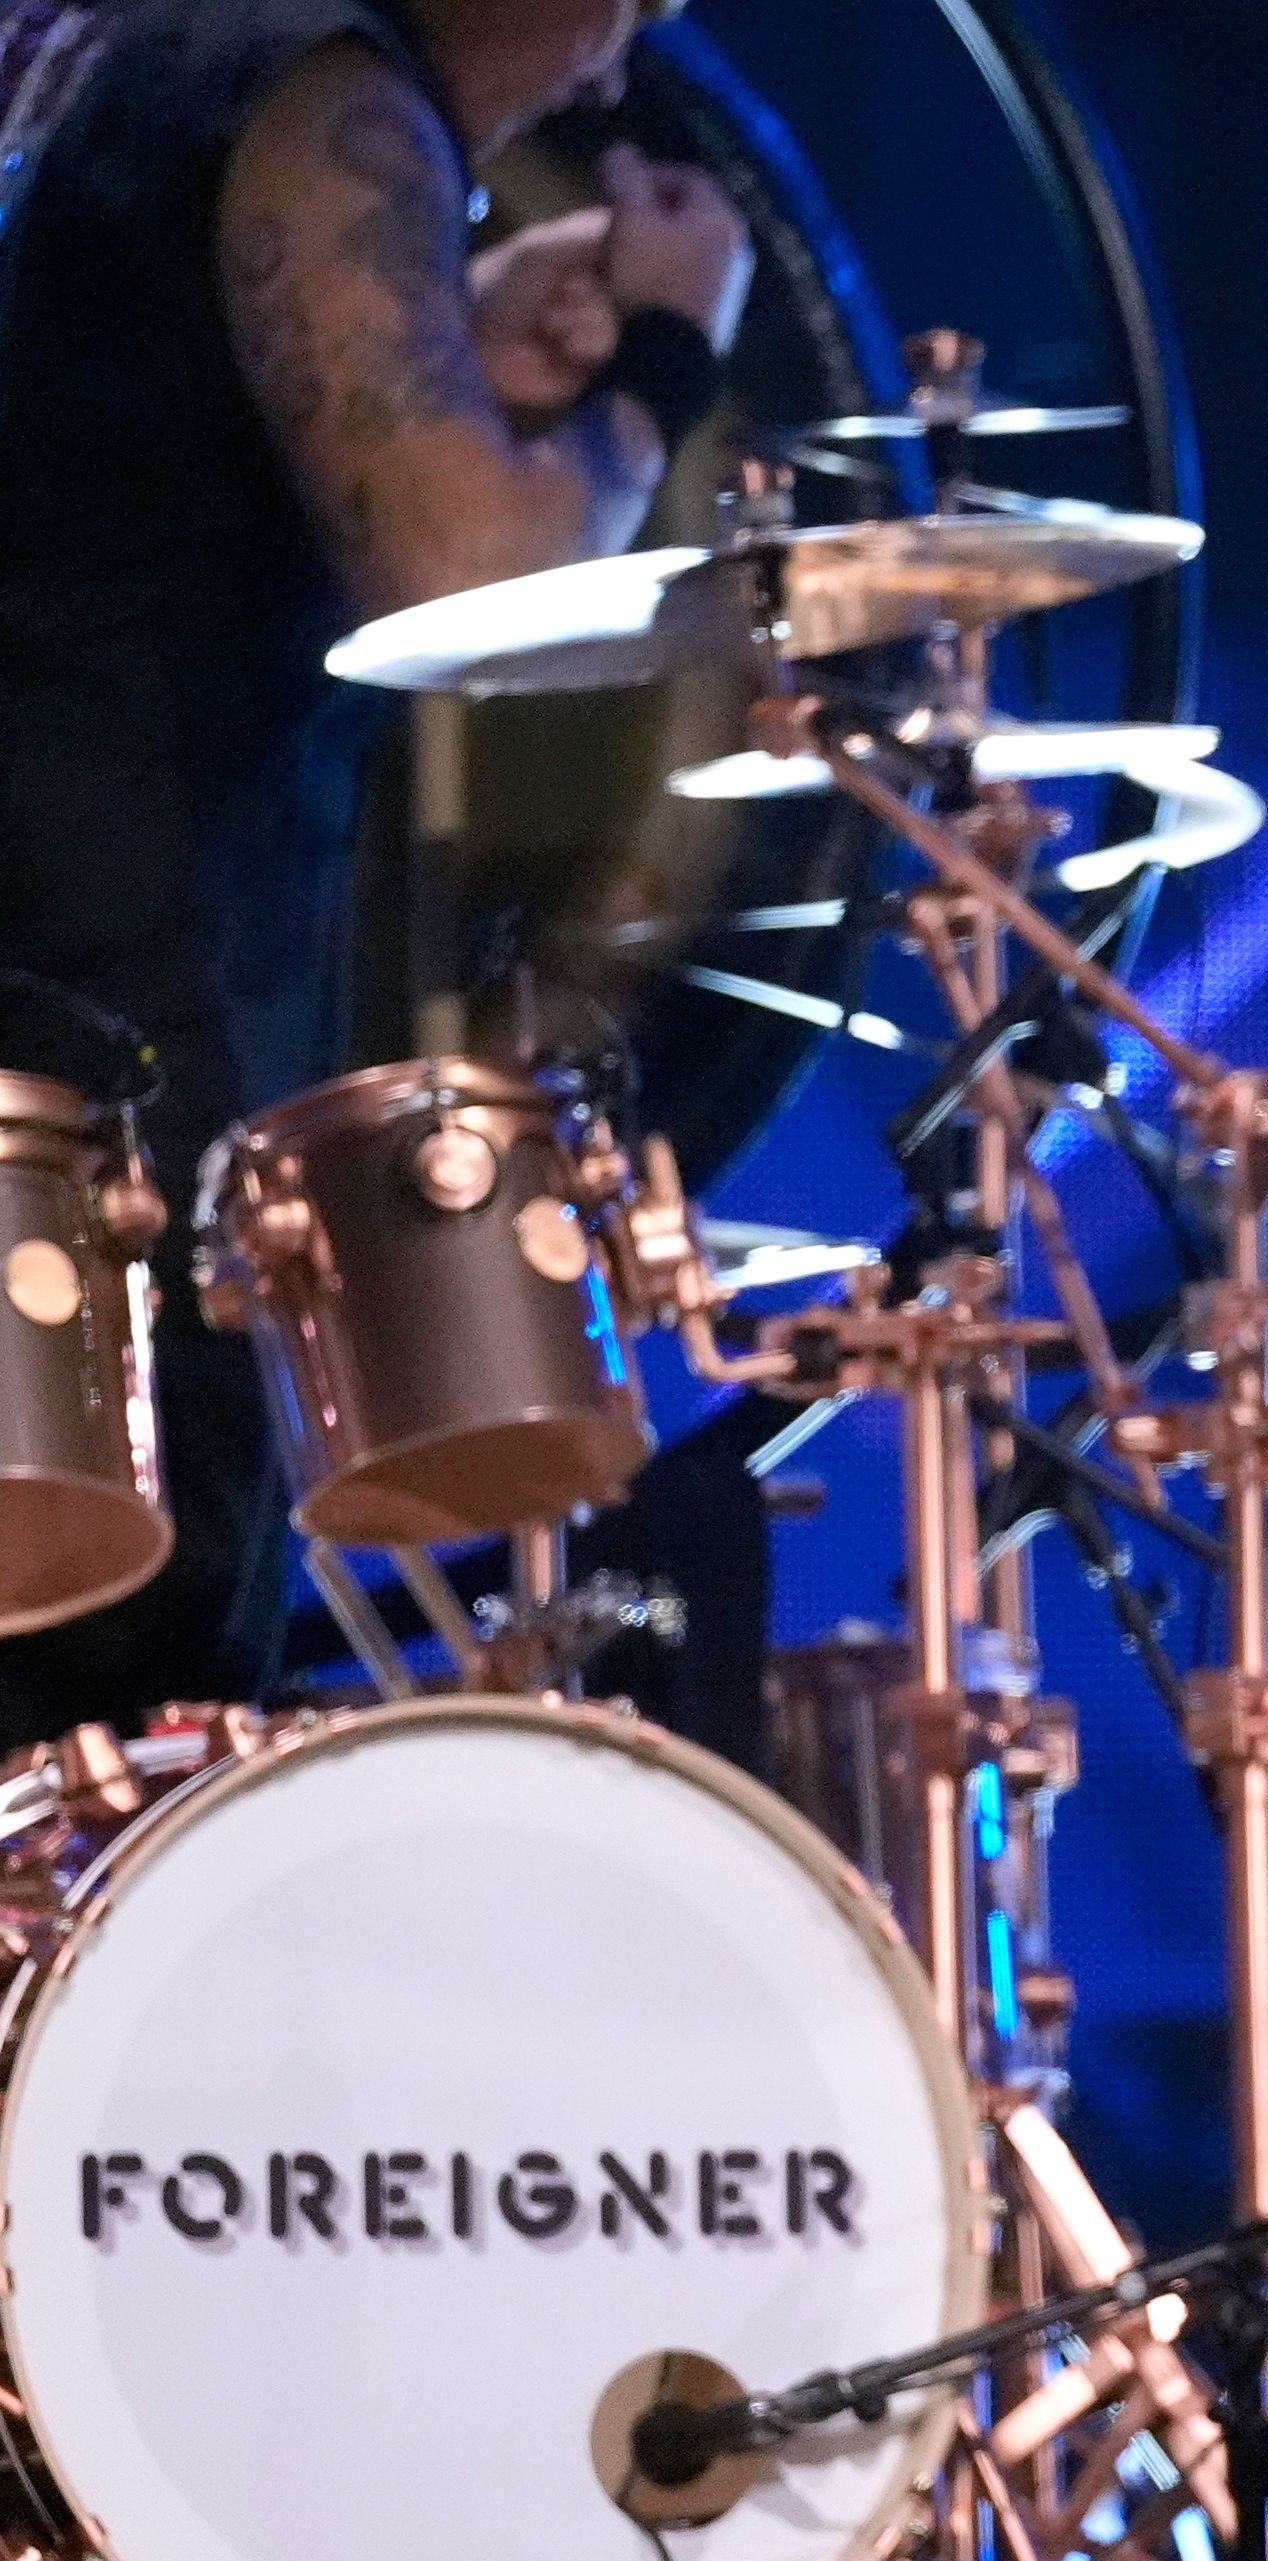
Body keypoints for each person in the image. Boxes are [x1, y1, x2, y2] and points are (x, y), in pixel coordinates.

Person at [0, 0, 749, 1740]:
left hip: (50, 1054)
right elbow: (456, 575)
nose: (627, 42)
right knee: (114, 1725)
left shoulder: (118, 44)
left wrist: (445, 341)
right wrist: (661, 350)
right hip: (113, 1070)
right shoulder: (325, 86)